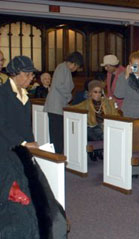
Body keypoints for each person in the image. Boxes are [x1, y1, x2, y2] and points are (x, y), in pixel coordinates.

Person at [0, 56, 40, 238]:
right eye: (28, 74)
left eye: (32, 75)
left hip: (21, 149)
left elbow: (25, 125)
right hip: (6, 149)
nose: (31, 78)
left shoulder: (24, 94)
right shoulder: (2, 93)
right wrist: (22, 143)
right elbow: (2, 125)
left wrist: (32, 144)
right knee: (11, 192)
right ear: (16, 74)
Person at [44, 51, 84, 153]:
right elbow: (58, 85)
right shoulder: (62, 67)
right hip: (55, 106)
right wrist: (69, 95)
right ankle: (56, 158)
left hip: (58, 106)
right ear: (73, 63)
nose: (76, 69)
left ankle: (58, 156)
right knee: (56, 135)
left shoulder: (65, 69)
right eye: (77, 66)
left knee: (58, 134)